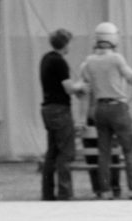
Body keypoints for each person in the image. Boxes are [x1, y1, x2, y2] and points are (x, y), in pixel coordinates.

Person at [78, 22, 132, 199]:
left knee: (103, 152)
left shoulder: (89, 61)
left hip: (99, 109)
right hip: (118, 108)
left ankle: (104, 191)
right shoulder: (116, 58)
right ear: (113, 37)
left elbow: (84, 85)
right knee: (129, 150)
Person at [39, 28, 83, 200]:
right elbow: (68, 88)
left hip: (47, 109)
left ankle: (48, 193)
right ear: (65, 44)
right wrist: (81, 87)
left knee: (52, 152)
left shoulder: (46, 59)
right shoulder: (59, 62)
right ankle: (65, 193)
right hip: (60, 109)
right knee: (66, 152)